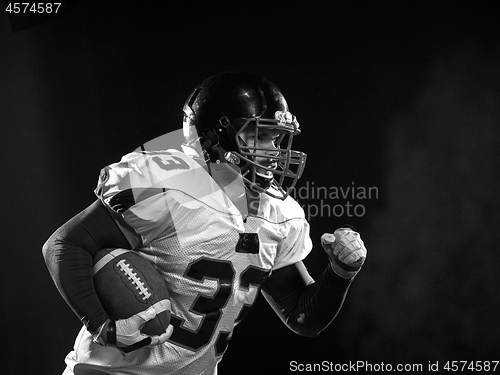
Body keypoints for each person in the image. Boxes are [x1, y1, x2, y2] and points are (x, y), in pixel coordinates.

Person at [42, 71, 367, 375]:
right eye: (261, 136)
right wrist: (102, 325)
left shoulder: (280, 215)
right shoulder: (169, 185)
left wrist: (340, 273)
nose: (275, 152)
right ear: (216, 135)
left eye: (278, 139)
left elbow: (301, 317)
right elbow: (65, 244)